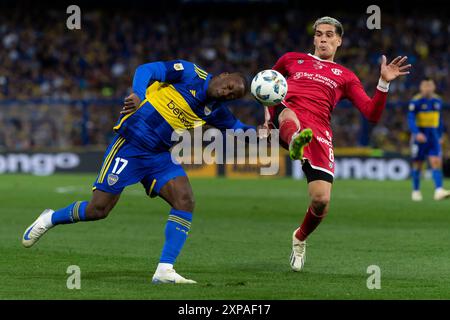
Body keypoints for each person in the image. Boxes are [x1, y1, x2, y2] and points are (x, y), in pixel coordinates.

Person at [22, 60, 255, 284]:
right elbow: (147, 69)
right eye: (230, 86)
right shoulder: (189, 72)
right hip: (131, 144)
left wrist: (267, 132)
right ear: (224, 75)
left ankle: (165, 270)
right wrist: (139, 94)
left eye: (232, 95)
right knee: (98, 209)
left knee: (185, 200)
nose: (227, 93)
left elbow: (240, 130)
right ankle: (50, 218)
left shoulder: (217, 111)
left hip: (158, 156)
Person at [263, 16, 412, 271]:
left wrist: (383, 82)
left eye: (329, 34)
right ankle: (294, 140)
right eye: (319, 34)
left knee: (321, 200)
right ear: (313, 38)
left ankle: (299, 238)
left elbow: (371, 114)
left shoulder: (345, 76)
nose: (323, 38)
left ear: (339, 41)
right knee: (288, 114)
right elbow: (267, 87)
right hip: (290, 115)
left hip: (319, 131)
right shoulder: (290, 59)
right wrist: (267, 117)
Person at [408, 78, 450, 201]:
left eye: (429, 85)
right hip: (420, 137)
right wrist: (416, 133)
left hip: (433, 136)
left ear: (434, 87)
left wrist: (440, 134)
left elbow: (439, 119)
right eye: (425, 86)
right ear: (421, 87)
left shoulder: (437, 100)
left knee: (436, 162)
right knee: (418, 164)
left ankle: (439, 190)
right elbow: (410, 119)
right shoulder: (415, 102)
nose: (427, 88)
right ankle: (415, 191)